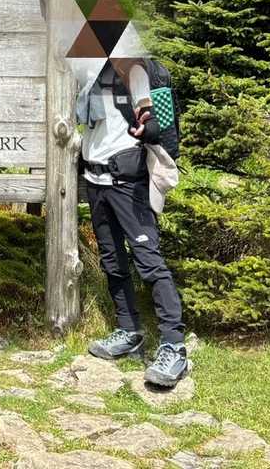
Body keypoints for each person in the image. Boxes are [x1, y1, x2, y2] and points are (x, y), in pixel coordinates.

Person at [75, 56, 188, 388]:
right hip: (95, 181)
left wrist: (148, 125)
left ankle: (174, 346)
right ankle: (129, 330)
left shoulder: (134, 66)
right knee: (112, 260)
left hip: (127, 183)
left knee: (149, 262)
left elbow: (152, 114)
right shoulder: (87, 70)